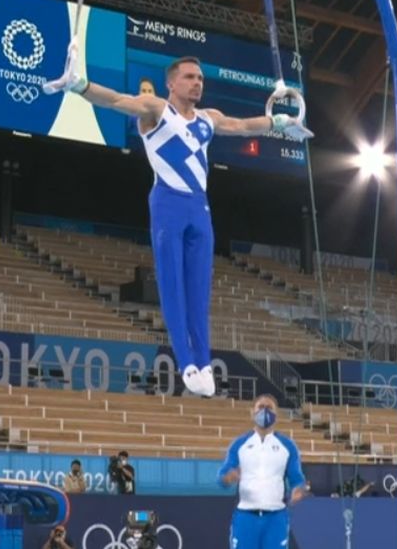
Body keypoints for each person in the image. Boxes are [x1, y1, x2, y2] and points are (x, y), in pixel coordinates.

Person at [46, 52, 312, 397]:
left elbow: (245, 126)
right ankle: (186, 362)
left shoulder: (207, 118)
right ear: (171, 82)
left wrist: (281, 123)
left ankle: (203, 362)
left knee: (199, 292)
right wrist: (80, 85)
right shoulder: (156, 109)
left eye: (200, 78)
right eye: (189, 77)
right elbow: (115, 100)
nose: (197, 83)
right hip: (168, 203)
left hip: (199, 209)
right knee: (172, 285)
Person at [218, 394, 308, 549]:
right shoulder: (239, 445)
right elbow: (222, 478)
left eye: (269, 408)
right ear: (252, 412)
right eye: (260, 407)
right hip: (246, 517)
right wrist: (228, 478)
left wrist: (298, 490)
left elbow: (297, 478)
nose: (264, 411)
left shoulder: (287, 446)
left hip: (276, 518)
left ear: (276, 414)